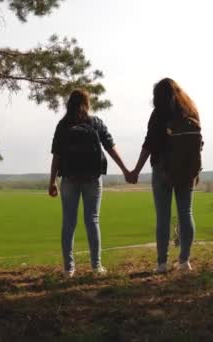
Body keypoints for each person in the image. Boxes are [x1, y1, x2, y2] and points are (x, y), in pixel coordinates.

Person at [48, 89, 132, 278]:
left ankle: (68, 269)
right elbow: (110, 147)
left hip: (69, 179)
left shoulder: (63, 125)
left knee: (68, 223)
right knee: (92, 220)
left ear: (68, 104)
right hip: (92, 179)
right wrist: (126, 170)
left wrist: (52, 181)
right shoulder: (95, 123)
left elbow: (57, 155)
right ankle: (96, 267)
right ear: (87, 103)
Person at [129, 78, 202, 273]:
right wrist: (195, 170)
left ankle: (162, 263)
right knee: (186, 213)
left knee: (163, 217)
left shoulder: (159, 113)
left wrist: (136, 170)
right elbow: (196, 146)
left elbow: (148, 144)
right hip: (186, 172)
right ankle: (185, 261)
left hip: (162, 169)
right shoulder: (191, 111)